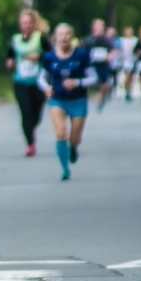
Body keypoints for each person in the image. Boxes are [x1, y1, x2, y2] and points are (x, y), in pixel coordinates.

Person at [38, 23, 98, 180]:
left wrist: (77, 82)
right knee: (60, 133)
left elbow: (93, 78)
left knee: (75, 137)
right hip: (57, 99)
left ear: (72, 37)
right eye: (61, 34)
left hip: (78, 100)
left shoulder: (81, 54)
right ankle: (64, 168)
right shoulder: (49, 57)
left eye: (67, 34)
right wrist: (46, 87)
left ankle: (73, 147)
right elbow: (41, 78)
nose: (64, 38)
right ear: (55, 38)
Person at [5, 9, 52, 157]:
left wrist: (39, 56)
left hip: (38, 82)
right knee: (25, 112)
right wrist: (10, 62)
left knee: (36, 115)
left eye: (29, 23)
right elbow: (10, 56)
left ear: (34, 24)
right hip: (20, 81)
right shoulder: (15, 40)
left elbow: (52, 56)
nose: (26, 25)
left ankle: (31, 130)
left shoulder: (41, 38)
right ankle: (30, 144)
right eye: (23, 23)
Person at [83, 18, 115, 112]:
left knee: (104, 84)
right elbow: (84, 51)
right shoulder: (89, 39)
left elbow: (112, 50)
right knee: (94, 82)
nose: (98, 27)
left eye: (100, 25)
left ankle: (102, 97)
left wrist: (109, 56)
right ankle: (96, 98)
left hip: (104, 64)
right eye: (96, 25)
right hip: (92, 64)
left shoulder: (106, 39)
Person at [119, 26, 138, 101]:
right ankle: (127, 91)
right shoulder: (122, 40)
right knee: (127, 75)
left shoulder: (135, 40)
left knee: (132, 77)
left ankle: (130, 90)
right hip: (125, 60)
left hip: (133, 60)